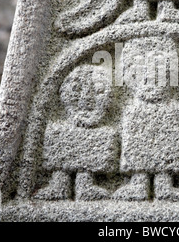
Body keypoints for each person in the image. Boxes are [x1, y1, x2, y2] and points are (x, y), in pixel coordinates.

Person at [113, 36, 179, 201]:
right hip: (138, 113)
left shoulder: (174, 110)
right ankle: (138, 184)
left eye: (159, 75)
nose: (150, 81)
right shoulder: (131, 110)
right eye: (141, 76)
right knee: (137, 153)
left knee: (168, 152)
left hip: (167, 113)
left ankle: (164, 185)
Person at [34, 64, 117, 201]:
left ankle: (85, 185)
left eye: (96, 90)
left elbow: (103, 100)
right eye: (78, 90)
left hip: (94, 131)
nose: (86, 97)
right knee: (59, 135)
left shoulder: (103, 130)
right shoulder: (59, 128)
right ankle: (59, 184)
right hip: (68, 129)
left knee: (100, 136)